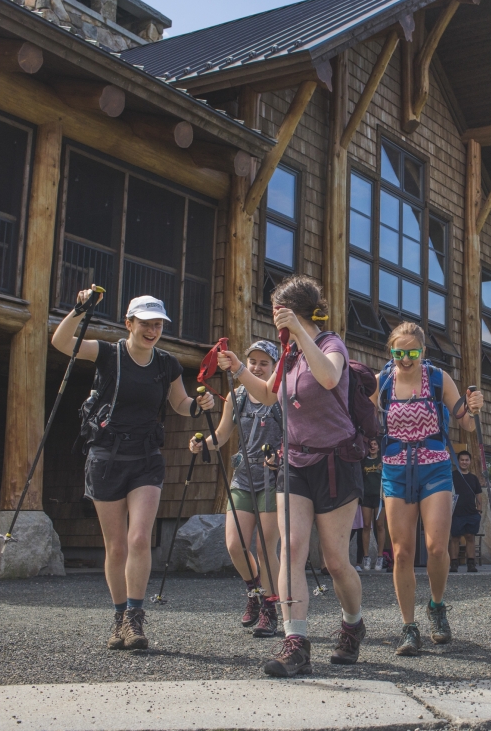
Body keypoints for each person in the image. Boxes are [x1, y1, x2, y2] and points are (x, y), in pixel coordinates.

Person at [218, 275, 365, 677]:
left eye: (279, 313)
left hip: (336, 463)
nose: (275, 321)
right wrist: (238, 372)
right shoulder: (289, 353)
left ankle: (353, 624)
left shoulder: (329, 345)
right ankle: (295, 642)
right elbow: (267, 393)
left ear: (294, 312)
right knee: (291, 549)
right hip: (294, 463)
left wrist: (301, 332)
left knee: (335, 561)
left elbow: (330, 377)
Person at [53, 291, 215, 650]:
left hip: (146, 458)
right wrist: (81, 310)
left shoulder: (166, 364)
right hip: (105, 458)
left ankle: (134, 619)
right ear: (129, 323)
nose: (153, 330)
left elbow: (180, 403)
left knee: (139, 538)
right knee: (115, 547)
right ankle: (118, 616)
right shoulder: (108, 353)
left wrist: (201, 405)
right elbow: (62, 342)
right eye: (145, 323)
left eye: (158, 324)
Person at [372, 322, 483, 656]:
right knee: (402, 551)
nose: (405, 359)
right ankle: (409, 627)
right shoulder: (382, 382)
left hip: (435, 466)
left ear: (423, 351)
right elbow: (361, 416)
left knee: (436, 547)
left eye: (412, 352)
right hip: (395, 469)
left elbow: (465, 422)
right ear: (390, 351)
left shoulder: (438, 378)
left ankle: (436, 606)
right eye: (398, 352)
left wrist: (473, 406)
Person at [188, 341, 282, 638]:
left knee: (265, 546)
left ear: (275, 366)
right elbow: (221, 435)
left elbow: (295, 436)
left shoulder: (279, 395)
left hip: (274, 478)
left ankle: (270, 607)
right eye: (252, 361)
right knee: (234, 544)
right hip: (243, 476)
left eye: (263, 363)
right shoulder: (236, 396)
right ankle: (254, 591)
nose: (256, 366)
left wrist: (279, 456)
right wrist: (202, 445)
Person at [448, 450, 483, 573]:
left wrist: (479, 511)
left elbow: (479, 494)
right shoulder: (452, 476)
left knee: (470, 537)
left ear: (470, 462)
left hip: (471, 512)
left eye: (466, 460)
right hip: (455, 513)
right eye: (462, 460)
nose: (464, 462)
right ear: (458, 461)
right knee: (455, 538)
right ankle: (453, 563)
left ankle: (471, 564)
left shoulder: (473, 478)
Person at [360, 439, 388, 570]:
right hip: (366, 496)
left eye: (375, 444)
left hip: (379, 496)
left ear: (378, 447)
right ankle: (366, 557)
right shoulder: (363, 461)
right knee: (366, 525)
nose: (373, 446)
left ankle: (380, 556)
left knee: (380, 525)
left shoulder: (383, 461)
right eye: (370, 444)